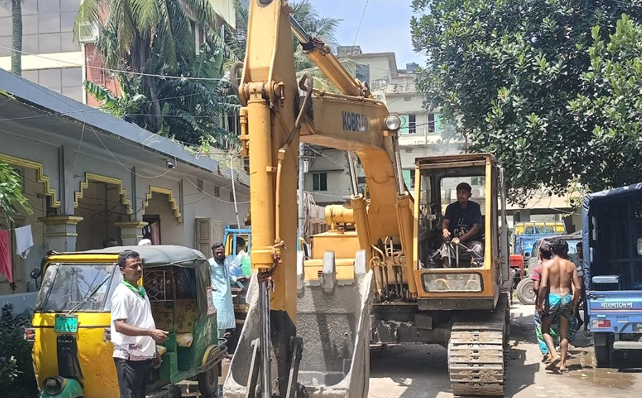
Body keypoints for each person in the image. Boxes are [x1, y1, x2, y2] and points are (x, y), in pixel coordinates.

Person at [111, 250, 168, 398]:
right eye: (133, 266)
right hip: (128, 358)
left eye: (140, 265)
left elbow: (144, 321)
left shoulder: (139, 290)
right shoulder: (122, 293)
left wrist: (153, 351)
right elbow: (119, 325)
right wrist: (150, 333)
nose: (139, 269)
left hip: (143, 356)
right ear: (122, 270)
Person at [537, 238, 582, 372]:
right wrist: (574, 304)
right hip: (566, 297)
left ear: (551, 250)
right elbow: (578, 287)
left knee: (545, 329)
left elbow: (544, 285)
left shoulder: (547, 265)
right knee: (564, 332)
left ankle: (553, 353)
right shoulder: (571, 265)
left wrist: (539, 303)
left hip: (553, 297)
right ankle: (563, 364)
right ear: (565, 250)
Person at [440, 182, 483, 267]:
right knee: (445, 248)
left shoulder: (475, 207)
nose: (461, 195)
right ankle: (447, 273)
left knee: (478, 247)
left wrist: (460, 239)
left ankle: (473, 276)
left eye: (464, 193)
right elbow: (445, 223)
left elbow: (476, 227)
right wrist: (445, 231)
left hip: (471, 242)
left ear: (469, 195)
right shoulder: (451, 208)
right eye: (458, 193)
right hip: (453, 242)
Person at [532, 240, 560, 363]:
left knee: (540, 327)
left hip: (545, 301)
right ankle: (555, 349)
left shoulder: (538, 269)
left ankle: (548, 353)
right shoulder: (559, 267)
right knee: (554, 326)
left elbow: (536, 287)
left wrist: (539, 301)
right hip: (558, 299)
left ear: (540, 255)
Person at [209, 242, 242, 339]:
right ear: (213, 253)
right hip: (217, 297)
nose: (219, 254)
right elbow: (202, 276)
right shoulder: (210, 263)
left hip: (226, 297)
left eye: (221, 252)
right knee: (218, 324)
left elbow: (229, 278)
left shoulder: (226, 262)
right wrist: (209, 285)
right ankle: (217, 348)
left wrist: (242, 277)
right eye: (217, 253)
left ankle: (220, 347)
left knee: (224, 325)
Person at [575, 241, 589, 333]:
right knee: (574, 306)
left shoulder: (587, 260)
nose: (579, 252)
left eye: (581, 250)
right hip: (578, 287)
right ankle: (579, 320)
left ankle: (586, 327)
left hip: (586, 287)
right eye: (578, 250)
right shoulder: (574, 260)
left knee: (586, 307)